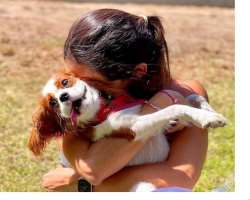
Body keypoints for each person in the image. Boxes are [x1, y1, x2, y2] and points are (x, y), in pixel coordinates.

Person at [41, 9, 208, 192]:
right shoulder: (71, 100)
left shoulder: (185, 93)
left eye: (94, 82)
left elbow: (181, 178)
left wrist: (81, 184)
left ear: (138, 72)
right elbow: (92, 167)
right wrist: (157, 109)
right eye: (71, 77)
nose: (80, 89)